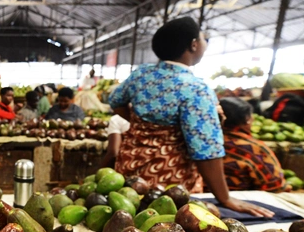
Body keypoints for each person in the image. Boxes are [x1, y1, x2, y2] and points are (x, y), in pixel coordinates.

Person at [109, 17, 273, 217]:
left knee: (126, 219)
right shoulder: (195, 89)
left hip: (131, 172)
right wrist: (225, 198)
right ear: (194, 45)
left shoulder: (140, 74)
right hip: (169, 182)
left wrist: (141, 126)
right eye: (204, 39)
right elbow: (206, 151)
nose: (205, 44)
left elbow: (116, 100)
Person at [221, 97, 287, 192]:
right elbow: (275, 186)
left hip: (200, 201)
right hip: (242, 200)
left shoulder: (204, 142)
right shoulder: (254, 148)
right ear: (247, 119)